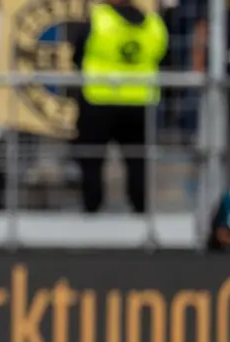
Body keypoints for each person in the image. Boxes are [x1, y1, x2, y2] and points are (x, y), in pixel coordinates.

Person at [69, 0, 168, 213]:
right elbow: (163, 56)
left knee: (91, 160)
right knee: (137, 162)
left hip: (99, 99)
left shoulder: (98, 19)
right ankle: (140, 211)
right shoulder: (153, 23)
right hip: (140, 102)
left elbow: (77, 53)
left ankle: (91, 210)